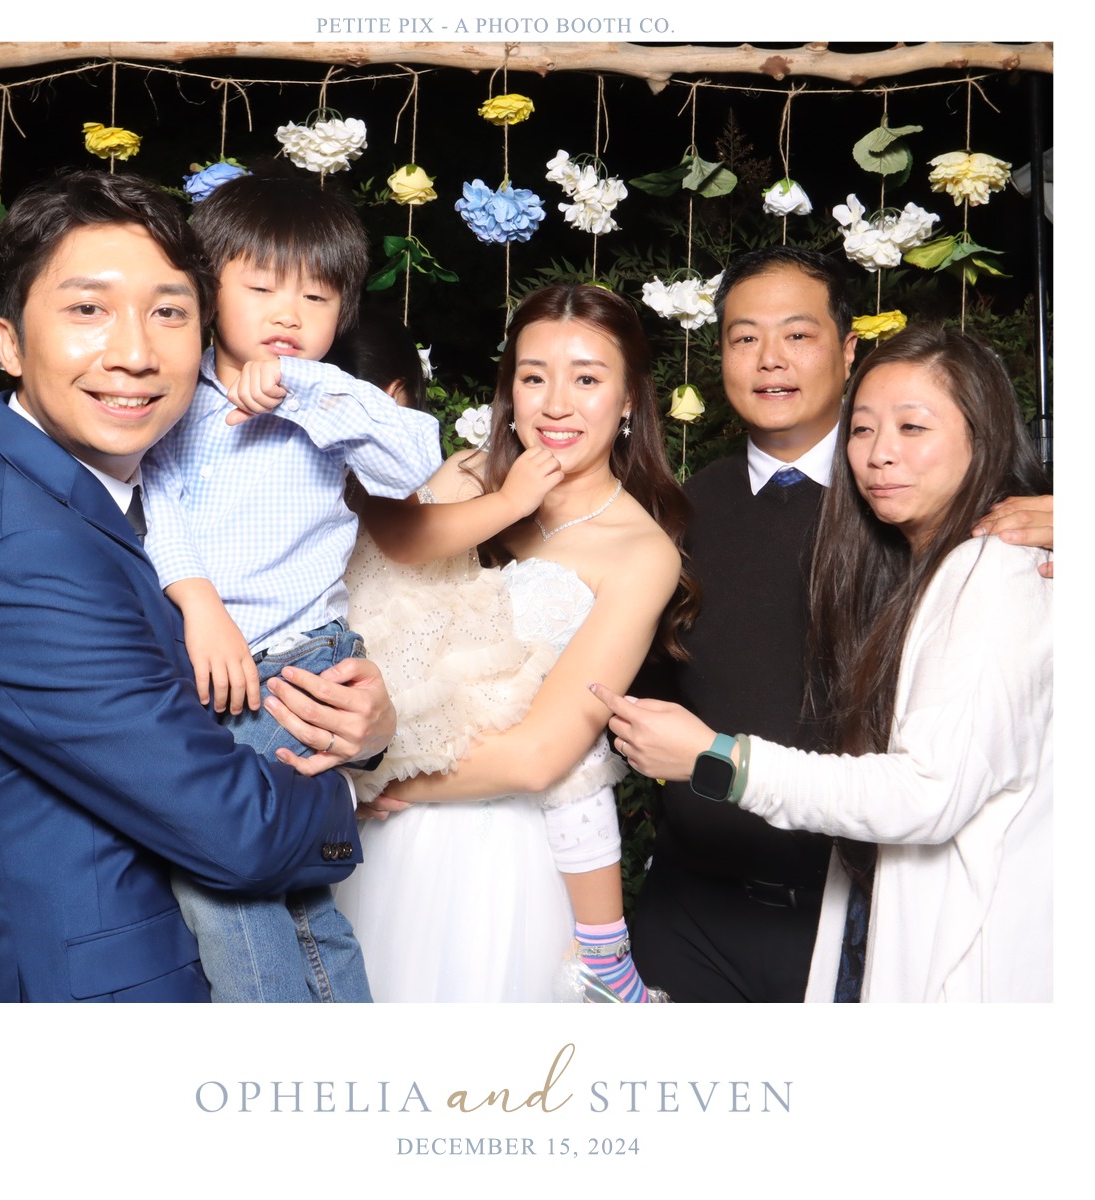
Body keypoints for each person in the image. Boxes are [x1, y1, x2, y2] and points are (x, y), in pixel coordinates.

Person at [0, 169, 396, 1003]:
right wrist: (342, 782)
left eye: (169, 312)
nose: (136, 353)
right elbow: (236, 834)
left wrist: (361, 730)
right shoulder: (24, 560)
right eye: (88, 309)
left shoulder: (125, 489)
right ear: (8, 342)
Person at [624, 245, 1053, 1003]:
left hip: (855, 908)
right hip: (697, 910)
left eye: (797, 333)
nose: (771, 359)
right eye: (745, 337)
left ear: (848, 350)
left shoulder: (960, 532)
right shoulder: (681, 510)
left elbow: (932, 785)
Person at [333, 284, 698, 1002]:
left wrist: (366, 773)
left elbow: (540, 758)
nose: (556, 405)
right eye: (534, 378)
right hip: (377, 836)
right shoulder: (466, 476)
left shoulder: (639, 553)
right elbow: (372, 603)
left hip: (494, 850)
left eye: (587, 380)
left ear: (628, 398)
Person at [140, 164, 442, 1001]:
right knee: (301, 901)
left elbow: (412, 462)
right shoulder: (176, 393)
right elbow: (155, 498)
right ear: (208, 288)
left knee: (224, 883)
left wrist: (307, 388)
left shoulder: (330, 398)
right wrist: (199, 602)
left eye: (315, 297)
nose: (287, 314)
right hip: (209, 663)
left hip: (297, 668)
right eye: (261, 287)